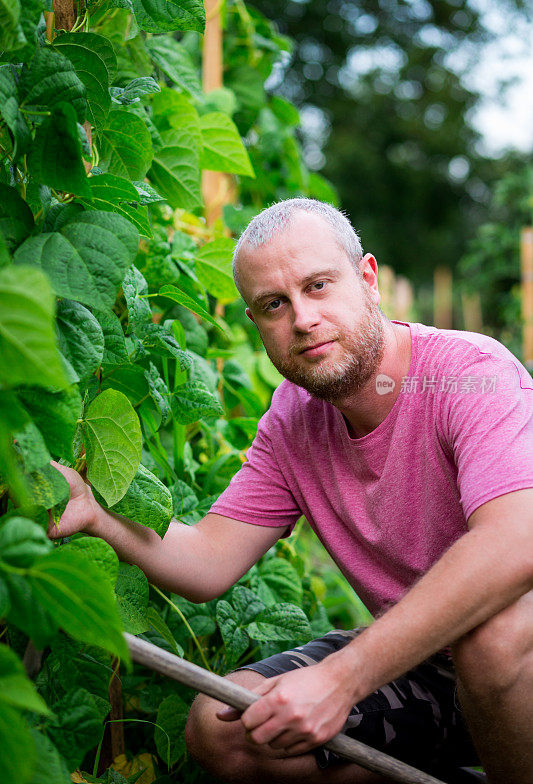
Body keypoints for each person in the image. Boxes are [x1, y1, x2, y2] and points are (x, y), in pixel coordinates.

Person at [49, 199, 533, 784]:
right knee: (227, 725)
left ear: (368, 280)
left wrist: (341, 678)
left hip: (517, 655)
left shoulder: (469, 375)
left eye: (319, 286)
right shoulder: (294, 422)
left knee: (494, 640)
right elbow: (207, 562)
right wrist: (95, 513)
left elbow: (516, 541)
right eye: (274, 305)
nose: (302, 319)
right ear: (255, 323)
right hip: (433, 672)